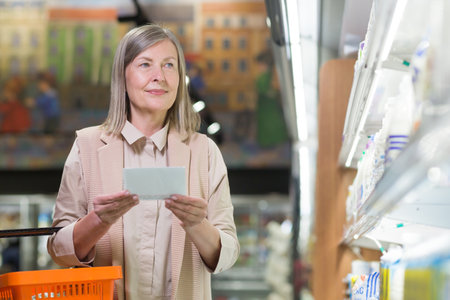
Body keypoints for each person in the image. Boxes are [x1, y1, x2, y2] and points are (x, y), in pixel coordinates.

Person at [47, 24, 239, 300]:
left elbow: (229, 253)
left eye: (169, 65)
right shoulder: (87, 146)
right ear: (122, 76)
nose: (159, 76)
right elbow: (58, 249)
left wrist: (198, 224)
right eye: (145, 64)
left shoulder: (205, 151)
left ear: (180, 77)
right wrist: (97, 221)